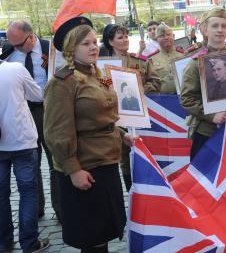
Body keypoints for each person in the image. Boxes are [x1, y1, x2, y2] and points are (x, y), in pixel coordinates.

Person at [44, 17, 131, 252]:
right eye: (86, 43)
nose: (93, 47)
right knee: (92, 236)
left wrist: (121, 134)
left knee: (103, 231)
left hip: (106, 160)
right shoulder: (62, 82)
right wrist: (73, 170)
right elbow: (56, 132)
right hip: (86, 166)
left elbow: (103, 114)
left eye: (95, 42)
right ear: (72, 48)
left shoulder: (97, 74)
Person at [0, 20, 60, 221]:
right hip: (23, 113)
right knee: (30, 162)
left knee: (55, 162)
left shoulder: (48, 49)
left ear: (31, 36)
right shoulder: (9, 53)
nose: (14, 47)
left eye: (18, 44)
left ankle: (61, 209)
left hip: (49, 110)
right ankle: (35, 209)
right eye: (11, 44)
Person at [180, 8, 226, 160]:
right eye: (215, 26)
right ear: (205, 30)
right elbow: (187, 98)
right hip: (207, 132)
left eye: (224, 26)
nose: (220, 30)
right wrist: (212, 115)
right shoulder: (195, 62)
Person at [100, 24, 160, 192]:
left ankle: (148, 192)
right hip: (114, 117)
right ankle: (131, 192)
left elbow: (155, 82)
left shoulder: (139, 62)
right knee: (124, 159)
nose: (125, 40)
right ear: (110, 42)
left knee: (144, 152)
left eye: (126, 36)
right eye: (120, 37)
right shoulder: (101, 66)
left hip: (139, 115)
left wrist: (136, 91)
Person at [0, 61, 50, 253]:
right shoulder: (15, 69)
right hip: (21, 139)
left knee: (1, 194)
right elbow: (37, 95)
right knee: (28, 191)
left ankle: (4, 242)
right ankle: (30, 243)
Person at [148, 23, 185, 94]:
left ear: (173, 36)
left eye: (168, 34)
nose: (166, 38)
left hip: (184, 98)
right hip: (163, 100)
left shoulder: (184, 55)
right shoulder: (151, 60)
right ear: (157, 38)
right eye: (162, 36)